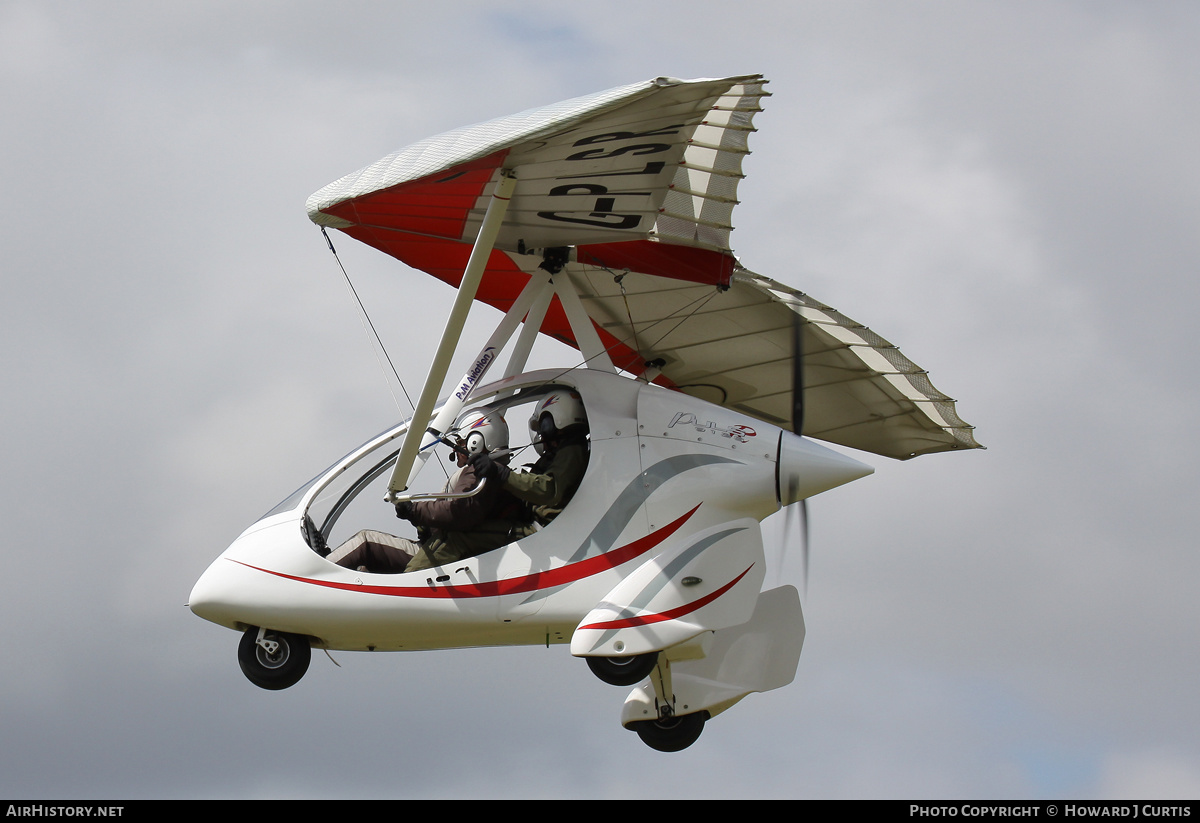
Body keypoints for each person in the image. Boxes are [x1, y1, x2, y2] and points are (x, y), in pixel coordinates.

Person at [328, 410, 520, 573]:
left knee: (366, 543)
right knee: (363, 570)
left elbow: (460, 513)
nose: (457, 450)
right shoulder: (490, 473)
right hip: (441, 548)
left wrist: (415, 511)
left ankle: (317, 573)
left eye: (461, 443)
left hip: (445, 554)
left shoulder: (481, 473)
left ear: (477, 441)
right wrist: (419, 520)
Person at [472, 390, 589, 535]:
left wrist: (501, 474)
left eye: (543, 425)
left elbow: (550, 490)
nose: (541, 434)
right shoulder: (568, 450)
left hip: (541, 530)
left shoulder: (572, 450)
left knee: (459, 540)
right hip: (538, 525)